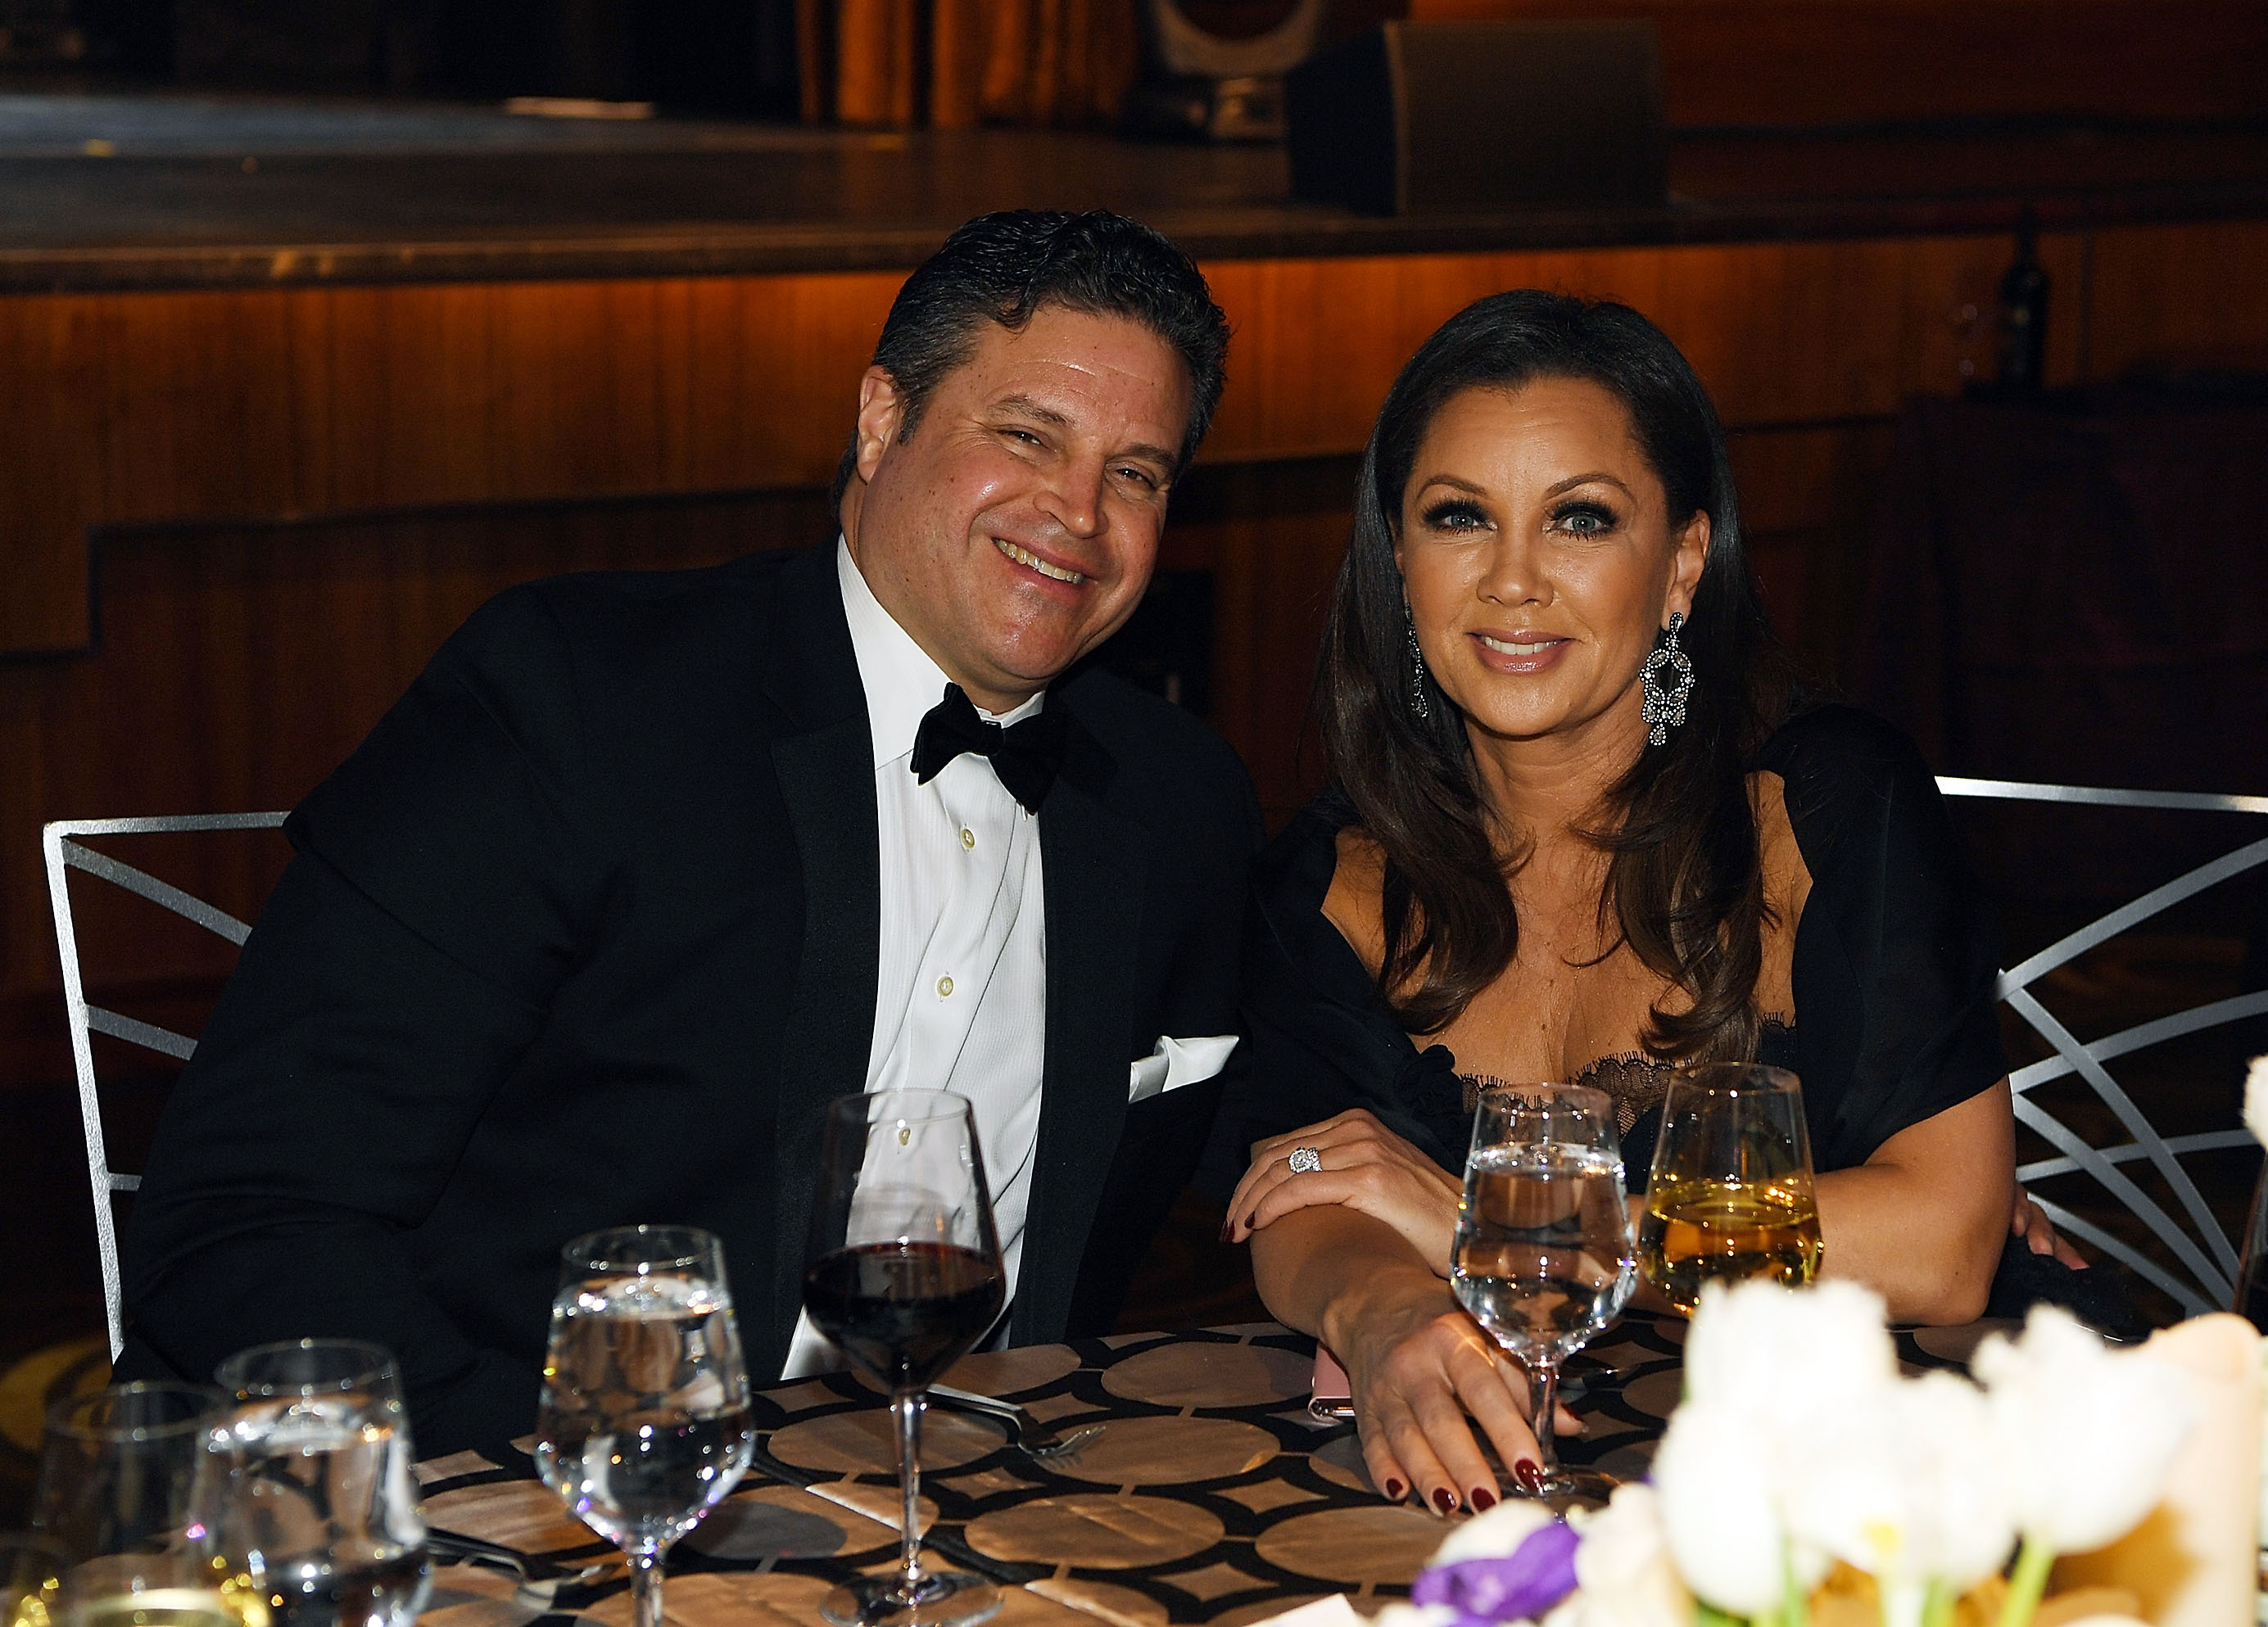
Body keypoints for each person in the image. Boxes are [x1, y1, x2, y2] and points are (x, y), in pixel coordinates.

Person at [122, 210, 1262, 1455]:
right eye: (1027, 436)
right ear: (883, 420)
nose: (1080, 513)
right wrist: (580, 1498)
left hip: (951, 1524)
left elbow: (1285, 1146)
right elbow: (249, 1212)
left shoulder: (1177, 806)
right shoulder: (573, 700)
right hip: (514, 1493)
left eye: (1137, 473)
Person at [1220, 290, 2026, 1516]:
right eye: (1458, 518)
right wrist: (1382, 1313)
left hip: (1873, 1483)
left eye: (1580, 520)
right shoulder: (1341, 879)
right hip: (1511, 1486)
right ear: (1399, 558)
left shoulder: (1822, 810)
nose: (1513, 580)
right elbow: (1299, 1196)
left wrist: (1503, 1229)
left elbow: (1945, 1242)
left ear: (1683, 564)